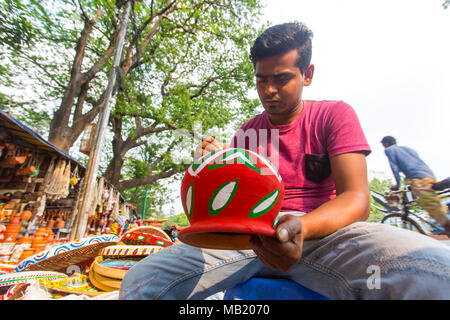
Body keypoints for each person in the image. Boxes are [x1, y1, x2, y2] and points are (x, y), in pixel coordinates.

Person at [120, 22, 450, 300]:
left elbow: (357, 201)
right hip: (248, 240)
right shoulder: (246, 132)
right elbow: (228, 206)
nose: (269, 91)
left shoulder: (334, 115)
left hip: (324, 236)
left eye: (281, 79)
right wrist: (214, 167)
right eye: (262, 80)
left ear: (307, 74)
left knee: (437, 272)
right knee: (141, 282)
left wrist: (301, 227)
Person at [381, 135, 450, 232]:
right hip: (428, 176)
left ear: (386, 144)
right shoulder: (409, 149)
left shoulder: (389, 150)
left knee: (430, 205)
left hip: (417, 179)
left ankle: (447, 227)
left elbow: (394, 168)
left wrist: (397, 184)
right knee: (425, 200)